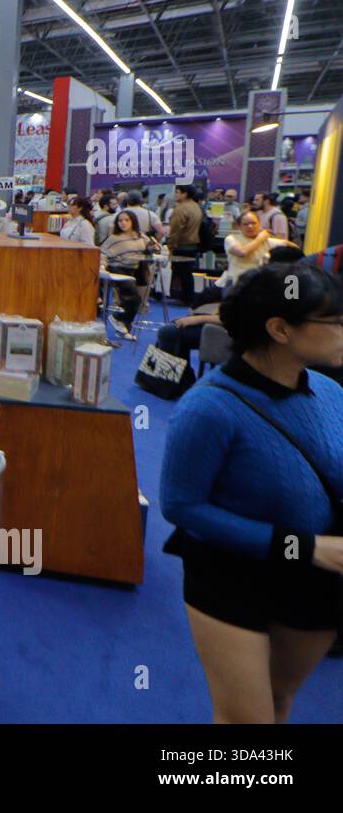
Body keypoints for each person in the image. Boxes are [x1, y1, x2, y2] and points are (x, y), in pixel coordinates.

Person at [160, 262, 343, 723]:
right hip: (231, 575)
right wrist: (302, 547)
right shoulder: (208, 409)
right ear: (280, 329)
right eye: (335, 322)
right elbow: (181, 506)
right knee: (247, 721)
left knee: (279, 700)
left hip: (316, 581)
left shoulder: (329, 391)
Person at [101, 210, 159, 340]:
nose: (123, 223)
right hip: (117, 269)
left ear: (133, 221)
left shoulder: (140, 236)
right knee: (134, 298)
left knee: (133, 301)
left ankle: (124, 329)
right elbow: (102, 253)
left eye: (126, 220)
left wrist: (154, 247)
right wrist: (103, 266)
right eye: (120, 220)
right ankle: (116, 318)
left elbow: (151, 247)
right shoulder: (114, 238)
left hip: (135, 269)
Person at [220, 209, 282, 289]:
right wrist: (260, 238)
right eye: (246, 224)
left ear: (259, 224)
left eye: (253, 223)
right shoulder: (231, 239)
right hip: (236, 283)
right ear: (239, 226)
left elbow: (289, 246)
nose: (250, 226)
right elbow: (242, 252)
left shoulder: (267, 241)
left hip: (258, 284)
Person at [168, 184, 204, 306]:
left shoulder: (181, 209)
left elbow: (175, 230)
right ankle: (188, 297)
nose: (176, 194)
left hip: (181, 245)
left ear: (185, 194)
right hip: (193, 244)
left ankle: (184, 298)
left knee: (181, 273)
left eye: (178, 192)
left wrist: (170, 245)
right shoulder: (196, 207)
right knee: (187, 273)